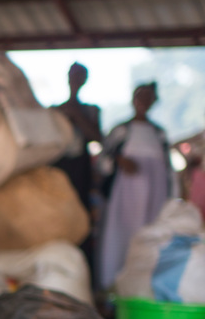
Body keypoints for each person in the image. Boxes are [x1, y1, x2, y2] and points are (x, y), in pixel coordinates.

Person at [96, 82, 175, 293]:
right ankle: (111, 289)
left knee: (149, 239)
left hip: (153, 199)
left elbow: (169, 170)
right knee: (120, 239)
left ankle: (143, 290)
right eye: (140, 97)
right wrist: (119, 160)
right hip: (124, 199)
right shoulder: (122, 130)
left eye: (148, 98)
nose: (143, 102)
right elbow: (103, 160)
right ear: (133, 99)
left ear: (154, 102)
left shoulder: (159, 134)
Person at [53, 63, 103, 273]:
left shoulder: (91, 110)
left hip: (80, 170)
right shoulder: (56, 109)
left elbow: (97, 137)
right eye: (72, 75)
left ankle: (81, 266)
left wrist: (77, 116)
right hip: (59, 167)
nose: (75, 80)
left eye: (79, 76)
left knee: (81, 215)